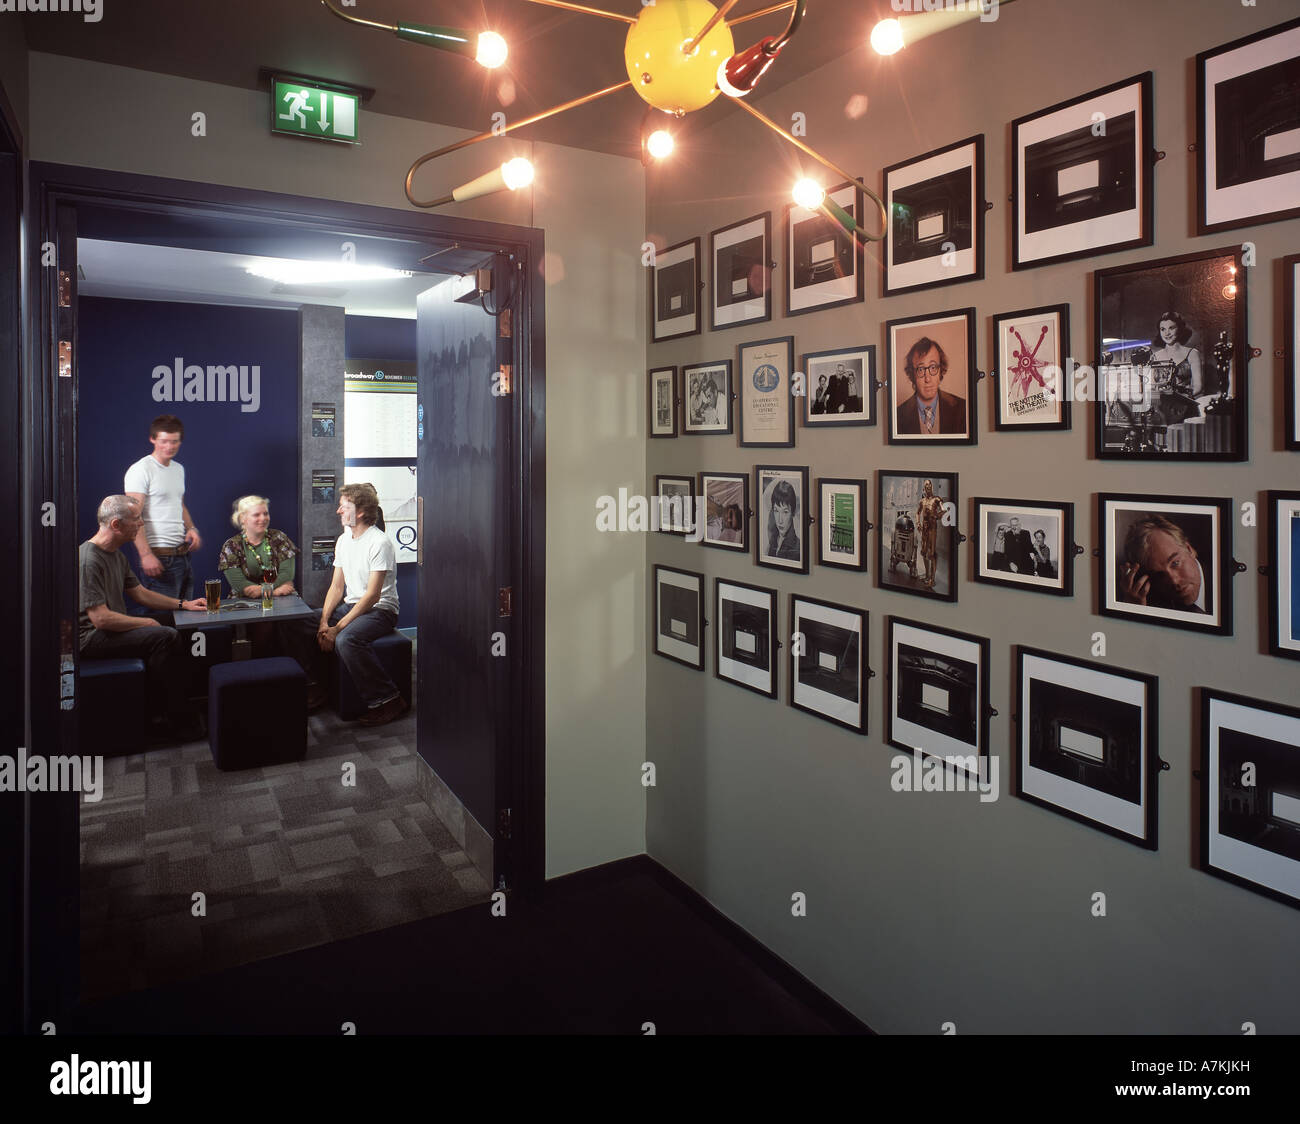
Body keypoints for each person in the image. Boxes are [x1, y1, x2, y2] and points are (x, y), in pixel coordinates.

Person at [80, 495, 207, 739]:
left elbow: (140, 593)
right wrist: (146, 622)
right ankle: (172, 720)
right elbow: (101, 619)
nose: (141, 524)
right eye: (136, 519)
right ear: (116, 525)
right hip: (92, 638)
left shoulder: (115, 554)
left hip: (109, 629)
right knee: (164, 636)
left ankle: (188, 700)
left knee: (183, 623)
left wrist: (184, 605)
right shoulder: (89, 560)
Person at [317, 483, 407, 725]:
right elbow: (336, 587)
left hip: (381, 611)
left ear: (359, 512)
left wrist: (338, 628)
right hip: (352, 607)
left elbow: (372, 596)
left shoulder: (380, 542)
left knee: (348, 639)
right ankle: (318, 688)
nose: (338, 511)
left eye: (343, 507)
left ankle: (388, 700)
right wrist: (324, 622)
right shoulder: (344, 540)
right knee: (304, 622)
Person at [124, 414, 201, 607]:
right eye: (164, 441)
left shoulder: (178, 469)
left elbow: (179, 504)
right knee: (161, 623)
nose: (169, 446)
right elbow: (133, 515)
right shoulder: (141, 469)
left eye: (174, 442)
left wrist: (192, 528)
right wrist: (145, 554)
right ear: (153, 439)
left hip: (182, 555)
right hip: (158, 555)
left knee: (186, 617)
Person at [1118, 513, 1211, 613]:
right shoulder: (1151, 602)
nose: (1174, 581)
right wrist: (1136, 612)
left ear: (1189, 549)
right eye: (1159, 575)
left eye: (1175, 563)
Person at [217, 495, 299, 599]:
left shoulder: (279, 538)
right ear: (242, 518)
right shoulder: (231, 546)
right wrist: (273, 592)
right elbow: (240, 585)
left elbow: (287, 574)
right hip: (245, 602)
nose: (263, 518)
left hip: (282, 599)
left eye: (265, 513)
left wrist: (261, 590)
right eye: (256, 515)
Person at [895, 337, 967, 435]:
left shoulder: (963, 409)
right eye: (920, 369)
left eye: (933, 367)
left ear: (941, 370)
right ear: (912, 374)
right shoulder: (898, 416)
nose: (927, 379)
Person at [1149, 311, 1206, 426]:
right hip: (1162, 412)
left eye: (1171, 328)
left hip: (1186, 410)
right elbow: (1151, 386)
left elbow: (1198, 387)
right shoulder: (1154, 356)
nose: (1167, 333)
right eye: (1163, 329)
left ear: (1179, 329)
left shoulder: (1192, 353)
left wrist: (1179, 398)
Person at [915, 478, 945, 587]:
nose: (927, 486)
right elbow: (918, 512)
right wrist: (918, 523)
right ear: (924, 487)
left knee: (932, 553)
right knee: (923, 551)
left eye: (929, 484)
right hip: (925, 528)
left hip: (932, 528)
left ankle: (932, 579)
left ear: (931, 486)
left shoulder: (937, 499)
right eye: (925, 485)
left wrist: (937, 516)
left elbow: (943, 510)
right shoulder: (922, 501)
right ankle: (927, 575)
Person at [766, 479, 800, 561]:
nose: (780, 520)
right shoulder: (773, 540)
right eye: (776, 511)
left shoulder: (797, 547)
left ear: (792, 513)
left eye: (785, 512)